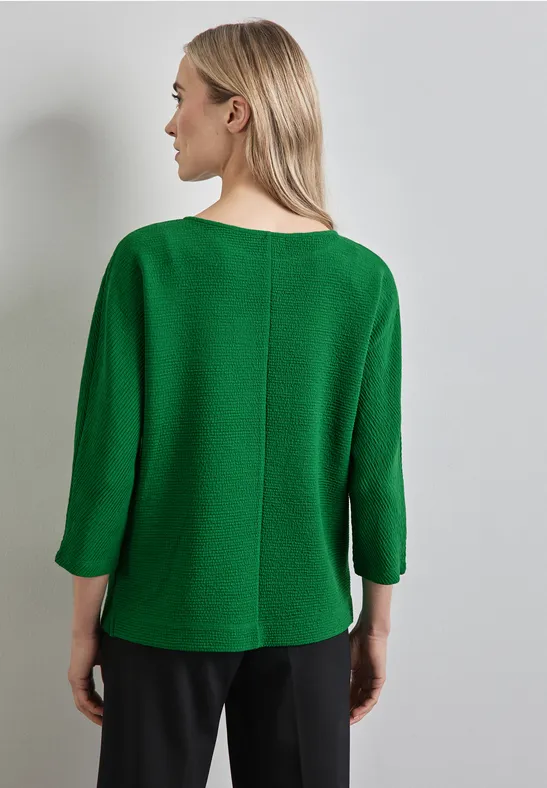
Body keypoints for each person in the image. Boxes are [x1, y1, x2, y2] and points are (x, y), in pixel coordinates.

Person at [54, 18, 407, 788]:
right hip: (308, 624)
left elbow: (106, 465)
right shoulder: (362, 281)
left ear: (235, 112)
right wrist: (374, 625)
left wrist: (83, 628)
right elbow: (376, 476)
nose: (170, 122)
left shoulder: (150, 263)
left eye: (181, 97)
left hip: (162, 614)